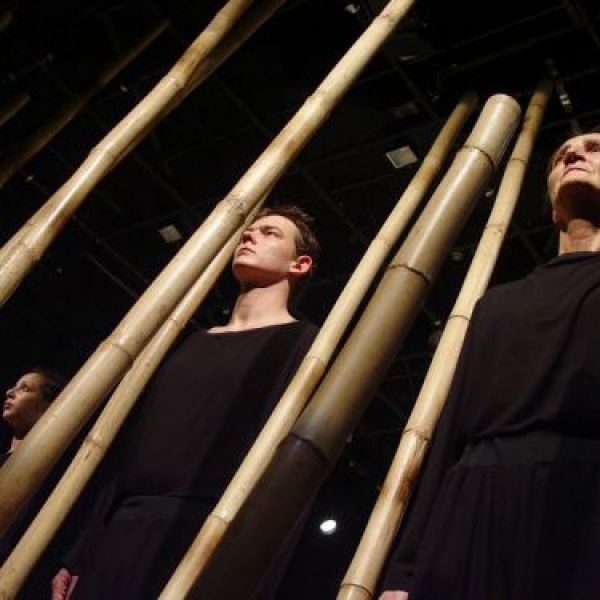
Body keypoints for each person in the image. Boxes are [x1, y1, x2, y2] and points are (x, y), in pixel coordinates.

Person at [52, 204, 321, 599]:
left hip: (207, 538)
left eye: (270, 233)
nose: (250, 236)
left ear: (299, 264)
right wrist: (81, 552)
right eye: (249, 231)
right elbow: (130, 451)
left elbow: (290, 480)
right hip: (121, 535)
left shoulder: (306, 347)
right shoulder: (191, 342)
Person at [380, 131, 600, 600]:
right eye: (562, 155)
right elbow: (451, 431)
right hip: (472, 506)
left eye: (595, 148)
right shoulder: (497, 304)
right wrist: (404, 570)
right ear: (552, 207)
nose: (574, 155)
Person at [1, 368, 68, 598]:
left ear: (47, 408)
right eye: (14, 386)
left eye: (24, 388)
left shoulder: (55, 471)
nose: (9, 392)